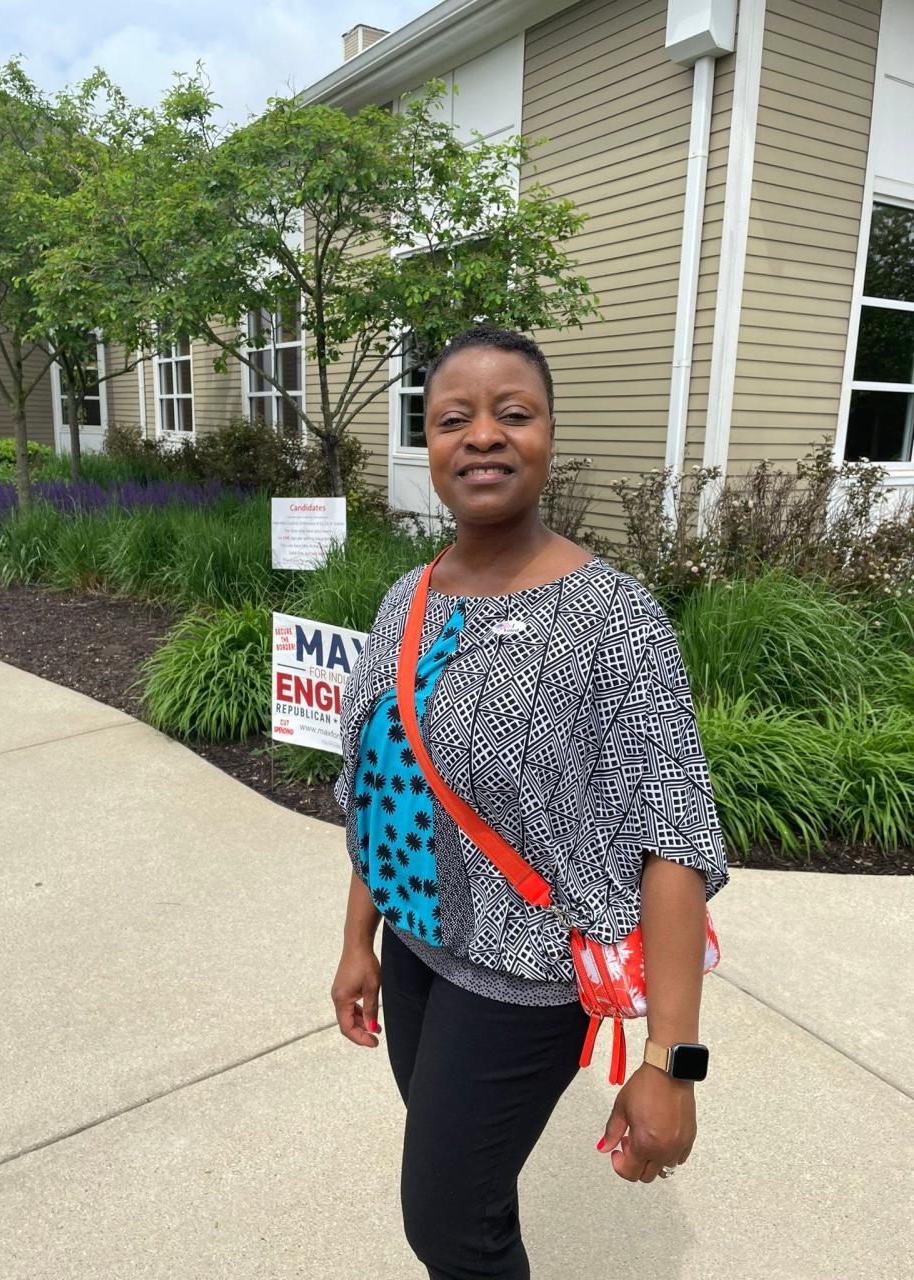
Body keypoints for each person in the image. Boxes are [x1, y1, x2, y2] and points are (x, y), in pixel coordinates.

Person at [331, 325, 730, 1279]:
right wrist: (358, 939)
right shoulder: (407, 598)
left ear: (550, 434)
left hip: (525, 985)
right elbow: (381, 784)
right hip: (416, 954)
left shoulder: (614, 619)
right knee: (467, 1185)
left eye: (514, 414)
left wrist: (671, 1060)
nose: (482, 437)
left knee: (446, 1227)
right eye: (451, 419)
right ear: (427, 445)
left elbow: (669, 836)